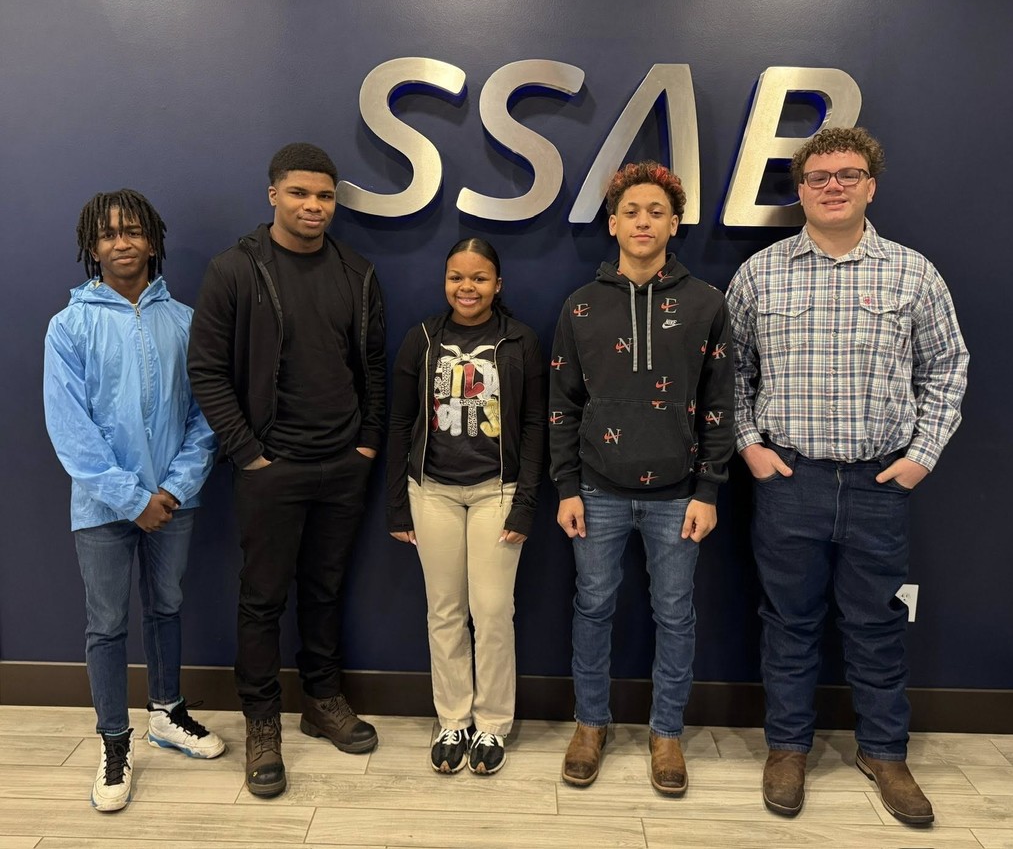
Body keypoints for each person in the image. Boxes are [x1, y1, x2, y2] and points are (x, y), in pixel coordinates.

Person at [726, 127, 969, 826]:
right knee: (788, 623)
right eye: (819, 176)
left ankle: (885, 751)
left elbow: (948, 368)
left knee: (877, 625)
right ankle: (787, 747)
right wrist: (749, 445)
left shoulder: (913, 274)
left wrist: (922, 455)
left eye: (848, 174)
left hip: (877, 486)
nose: (833, 185)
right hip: (789, 482)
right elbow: (729, 371)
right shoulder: (760, 275)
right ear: (800, 190)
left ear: (871, 185)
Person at [187, 143, 386, 798]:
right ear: (273, 194)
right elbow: (206, 370)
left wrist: (367, 444)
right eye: (300, 193)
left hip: (343, 464)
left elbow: (373, 365)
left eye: (324, 196)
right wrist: (248, 453)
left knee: (325, 591)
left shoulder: (357, 273)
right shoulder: (235, 269)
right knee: (263, 598)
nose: (313, 206)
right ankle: (262, 722)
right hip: (271, 467)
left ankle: (322, 700)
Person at [549, 161, 734, 796]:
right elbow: (561, 405)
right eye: (631, 211)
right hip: (597, 490)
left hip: (678, 495)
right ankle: (590, 724)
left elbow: (719, 405)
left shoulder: (707, 303)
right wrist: (566, 486)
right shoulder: (580, 306)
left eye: (656, 211)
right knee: (592, 606)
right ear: (613, 224)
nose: (643, 221)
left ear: (674, 223)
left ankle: (667, 732)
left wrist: (708, 489)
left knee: (675, 614)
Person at [43, 189, 224, 813]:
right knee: (107, 624)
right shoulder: (69, 326)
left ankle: (167, 713)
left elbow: (205, 417)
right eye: (108, 234)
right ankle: (114, 742)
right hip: (102, 508)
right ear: (91, 247)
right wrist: (130, 498)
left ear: (153, 240)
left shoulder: (187, 322)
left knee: (167, 606)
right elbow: (70, 429)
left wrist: (172, 489)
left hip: (174, 502)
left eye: (133, 231)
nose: (122, 242)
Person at [387, 238, 545, 775]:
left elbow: (534, 426)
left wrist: (525, 503)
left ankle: (493, 722)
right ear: (445, 281)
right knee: (444, 610)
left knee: (493, 610)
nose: (467, 287)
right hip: (431, 491)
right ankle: (452, 718)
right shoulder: (423, 338)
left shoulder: (520, 340)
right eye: (457, 277)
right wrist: (397, 504)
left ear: (498, 284)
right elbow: (399, 423)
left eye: (479, 278)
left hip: (497, 491)